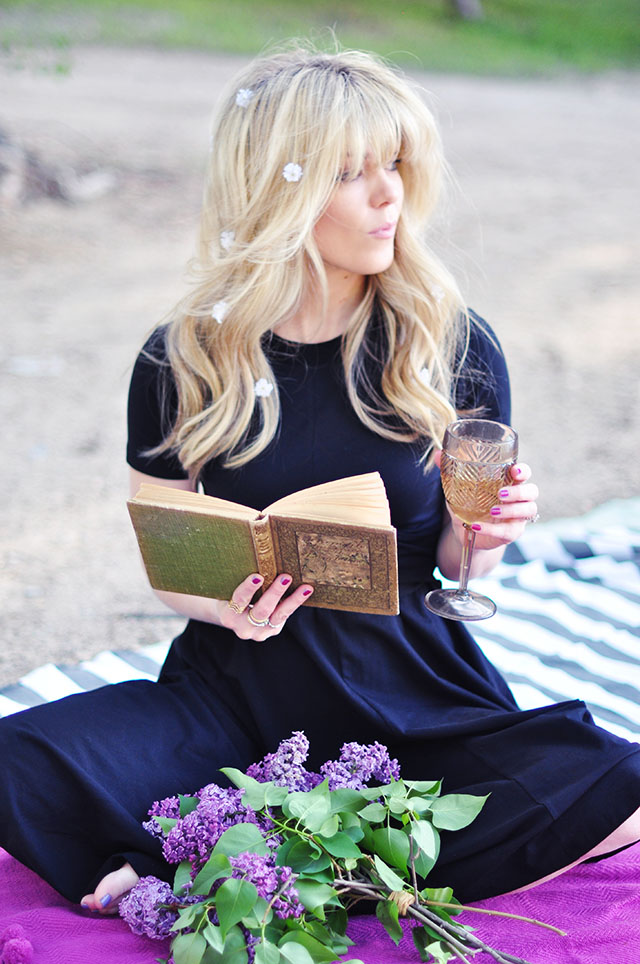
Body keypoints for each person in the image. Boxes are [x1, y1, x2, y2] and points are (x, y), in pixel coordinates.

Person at [1, 41, 639, 919]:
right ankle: (262, 844)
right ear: (279, 189)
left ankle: (228, 852)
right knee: (23, 754)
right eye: (353, 172)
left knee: (609, 778)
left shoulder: (449, 343)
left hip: (411, 688)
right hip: (230, 684)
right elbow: (171, 560)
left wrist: (487, 533)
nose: (391, 195)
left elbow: (465, 569)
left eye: (397, 165)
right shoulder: (186, 355)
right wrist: (223, 605)